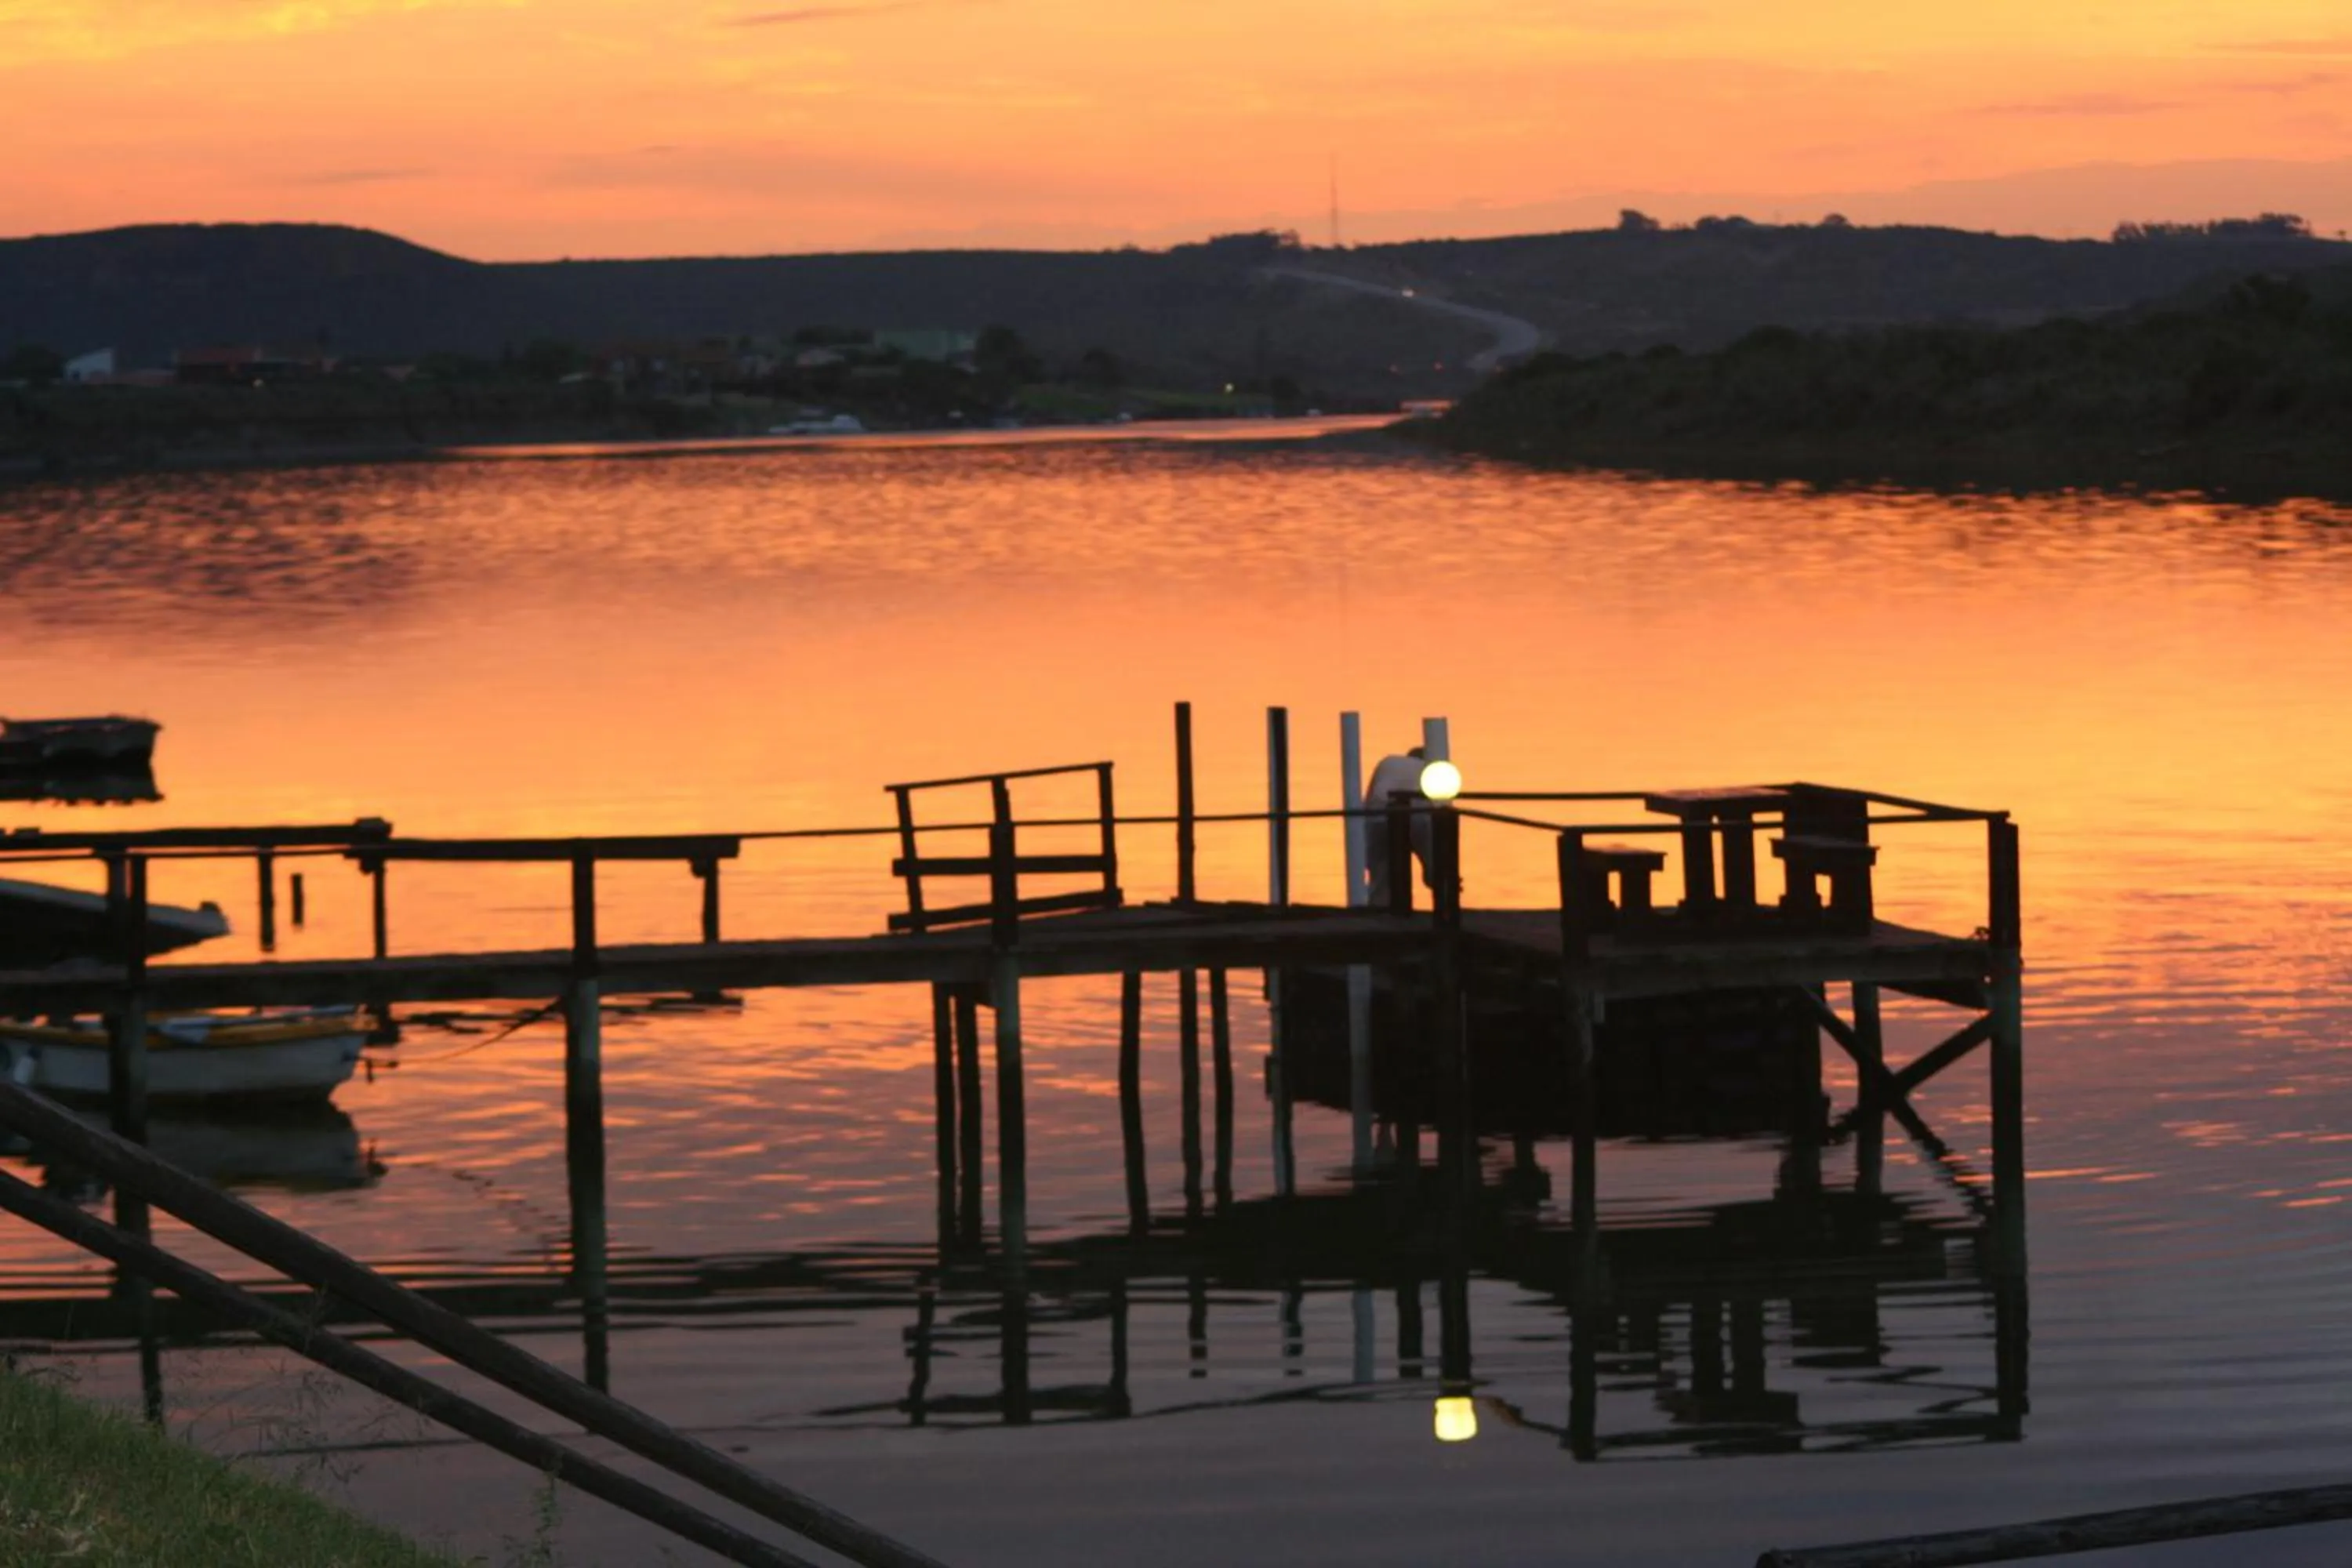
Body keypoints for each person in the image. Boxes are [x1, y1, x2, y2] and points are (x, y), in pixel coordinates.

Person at [1363, 746, 1436, 905]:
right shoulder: (1431, 769)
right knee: (1437, 865)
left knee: (1381, 874)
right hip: (1418, 814)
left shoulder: (1388, 762)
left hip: (1379, 815)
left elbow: (1368, 802)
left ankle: (1380, 911)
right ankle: (1445, 901)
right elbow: (1438, 806)